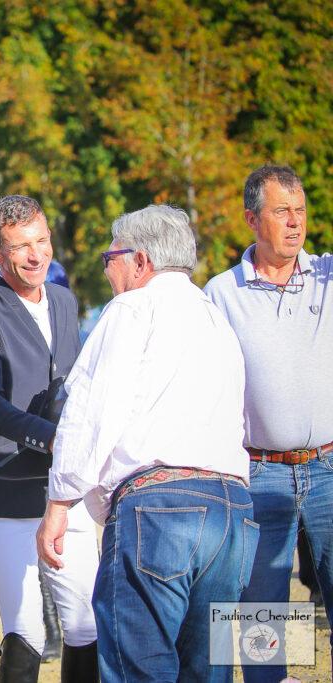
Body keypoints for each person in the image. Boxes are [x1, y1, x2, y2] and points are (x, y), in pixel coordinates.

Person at [37, 204, 254, 681]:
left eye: (109, 258)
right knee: (210, 672)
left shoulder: (133, 307)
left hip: (160, 509)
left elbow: (93, 410)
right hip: (232, 512)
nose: (108, 270)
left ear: (140, 262)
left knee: (141, 669)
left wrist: (59, 503)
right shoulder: (217, 321)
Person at [0, 194, 99, 682]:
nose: (36, 256)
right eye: (20, 247)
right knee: (26, 630)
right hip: (7, 487)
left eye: (41, 241)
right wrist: (54, 437)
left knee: (84, 623)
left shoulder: (64, 299)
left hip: (66, 487)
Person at [204, 165, 333, 682]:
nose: (295, 222)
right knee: (264, 623)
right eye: (282, 212)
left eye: (300, 211)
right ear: (251, 219)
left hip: (329, 468)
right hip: (257, 474)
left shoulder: (327, 278)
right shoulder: (220, 293)